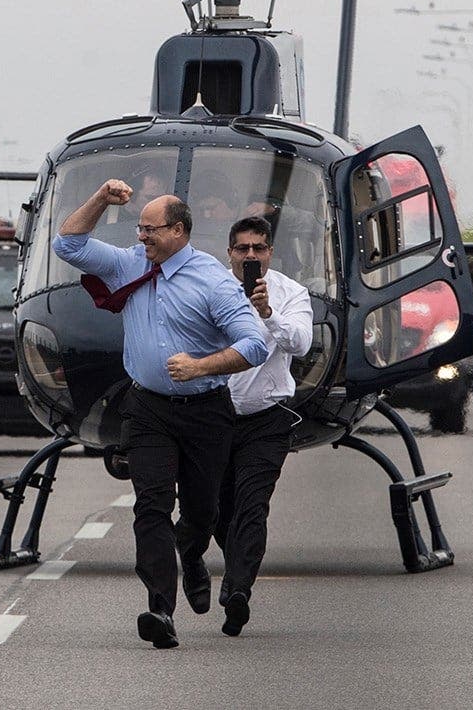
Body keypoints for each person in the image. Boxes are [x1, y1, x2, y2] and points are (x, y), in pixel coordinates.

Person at [52, 180, 268, 649]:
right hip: (148, 407)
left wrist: (201, 366)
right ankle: (160, 609)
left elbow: (255, 345)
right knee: (151, 505)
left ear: (178, 231)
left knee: (202, 511)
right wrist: (100, 199)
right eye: (140, 228)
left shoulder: (212, 280)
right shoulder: (130, 264)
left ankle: (191, 554)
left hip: (206, 412)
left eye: (151, 230)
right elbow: (67, 244)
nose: (141, 237)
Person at [213, 215, 313, 636]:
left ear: (270, 252)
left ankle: (239, 589)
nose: (250, 256)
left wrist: (267, 313)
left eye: (258, 248)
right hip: (214, 418)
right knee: (216, 511)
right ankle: (235, 566)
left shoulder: (291, 293)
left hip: (266, 418)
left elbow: (301, 343)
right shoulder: (211, 288)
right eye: (242, 249)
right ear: (230, 253)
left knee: (253, 505)